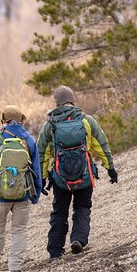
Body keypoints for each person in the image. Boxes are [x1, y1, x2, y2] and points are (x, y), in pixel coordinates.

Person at [37, 86, 118, 260]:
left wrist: (42, 178)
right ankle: (78, 239)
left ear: (57, 103)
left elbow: (41, 154)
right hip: (84, 174)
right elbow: (101, 145)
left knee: (59, 212)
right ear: (72, 100)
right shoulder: (86, 120)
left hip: (60, 178)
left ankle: (55, 251)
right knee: (82, 207)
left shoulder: (49, 125)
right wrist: (110, 168)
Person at [0, 106, 42, 272]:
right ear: (21, 121)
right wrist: (35, 194)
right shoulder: (29, 140)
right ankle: (15, 266)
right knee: (19, 230)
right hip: (23, 194)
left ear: (3, 121)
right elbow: (36, 170)